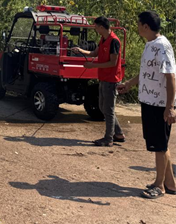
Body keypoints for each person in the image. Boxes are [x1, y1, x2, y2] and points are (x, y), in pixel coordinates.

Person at [118, 11, 176, 199]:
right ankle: (170, 183)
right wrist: (130, 83)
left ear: (145, 26)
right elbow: (146, 72)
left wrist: (170, 107)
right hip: (149, 101)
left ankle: (159, 186)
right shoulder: (150, 45)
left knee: (159, 146)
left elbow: (171, 77)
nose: (137, 27)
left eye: (138, 24)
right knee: (161, 144)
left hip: (159, 105)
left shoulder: (161, 46)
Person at [72, 16, 125, 146]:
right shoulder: (103, 39)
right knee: (103, 107)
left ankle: (108, 138)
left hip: (111, 80)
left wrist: (93, 66)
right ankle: (118, 133)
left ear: (101, 27)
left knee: (108, 110)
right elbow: (94, 53)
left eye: (96, 27)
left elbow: (113, 63)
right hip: (103, 78)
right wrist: (80, 50)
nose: (95, 29)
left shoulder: (114, 41)